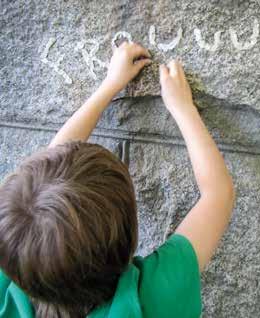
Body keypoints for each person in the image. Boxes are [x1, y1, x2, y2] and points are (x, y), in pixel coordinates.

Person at [0, 41, 235, 318]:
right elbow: (218, 194)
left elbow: (43, 178)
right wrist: (183, 108)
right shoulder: (153, 300)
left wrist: (109, 85)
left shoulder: (13, 257)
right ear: (129, 235)